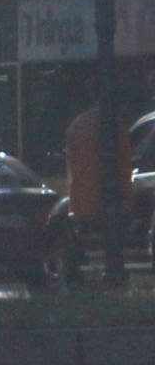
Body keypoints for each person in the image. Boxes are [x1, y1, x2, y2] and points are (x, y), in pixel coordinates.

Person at [62, 103, 135, 285]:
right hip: (113, 200)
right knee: (113, 240)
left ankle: (76, 276)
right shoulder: (115, 125)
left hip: (81, 201)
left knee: (80, 238)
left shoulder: (79, 124)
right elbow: (126, 162)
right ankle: (114, 274)